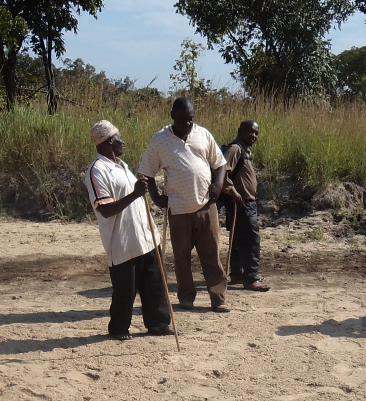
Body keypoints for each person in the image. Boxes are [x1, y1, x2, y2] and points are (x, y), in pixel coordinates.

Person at [139, 97, 230, 313]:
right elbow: (147, 173)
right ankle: (186, 298)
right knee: (181, 257)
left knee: (212, 254)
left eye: (190, 119)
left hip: (206, 207)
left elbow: (220, 164)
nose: (187, 124)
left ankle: (218, 298)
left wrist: (218, 184)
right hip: (178, 210)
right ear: (173, 116)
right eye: (182, 120)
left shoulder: (203, 134)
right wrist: (156, 198)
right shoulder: (160, 139)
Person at [85, 120, 173, 340]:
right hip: (122, 241)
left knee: (155, 284)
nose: (123, 141)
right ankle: (119, 329)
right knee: (125, 290)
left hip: (145, 236)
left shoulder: (122, 165)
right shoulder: (97, 170)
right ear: (109, 141)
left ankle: (158, 324)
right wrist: (135, 194)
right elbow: (105, 209)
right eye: (119, 137)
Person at [221, 120, 269, 292]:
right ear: (240, 131)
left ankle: (238, 274)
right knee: (251, 240)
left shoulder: (244, 151)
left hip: (244, 202)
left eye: (256, 133)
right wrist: (233, 192)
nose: (254, 136)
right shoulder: (235, 149)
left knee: (238, 240)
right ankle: (251, 278)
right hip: (240, 203)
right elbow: (222, 173)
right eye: (250, 132)